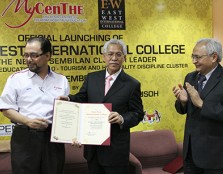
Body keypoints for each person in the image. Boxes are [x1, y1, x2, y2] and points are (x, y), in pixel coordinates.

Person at [60, 39, 144, 174]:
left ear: (124, 58)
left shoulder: (132, 84)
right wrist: (69, 99)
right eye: (110, 54)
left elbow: (137, 113)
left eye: (118, 54)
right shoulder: (91, 78)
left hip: (116, 151)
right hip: (92, 148)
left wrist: (122, 118)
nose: (114, 58)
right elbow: (82, 98)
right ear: (104, 56)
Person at [0, 37, 70, 174]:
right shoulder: (16, 79)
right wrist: (28, 122)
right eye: (26, 55)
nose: (29, 59)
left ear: (48, 55)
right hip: (25, 137)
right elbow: (6, 108)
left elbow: (66, 112)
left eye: (34, 55)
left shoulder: (61, 80)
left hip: (52, 138)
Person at [172, 38, 223, 174]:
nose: (194, 61)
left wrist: (201, 104)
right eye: (193, 56)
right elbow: (184, 109)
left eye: (197, 57)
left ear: (214, 57)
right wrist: (182, 101)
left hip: (215, 156)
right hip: (190, 153)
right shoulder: (190, 77)